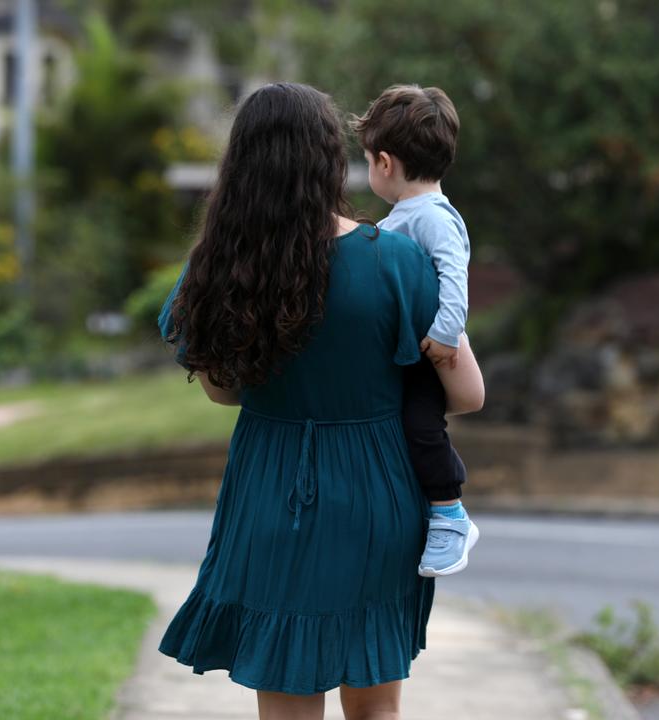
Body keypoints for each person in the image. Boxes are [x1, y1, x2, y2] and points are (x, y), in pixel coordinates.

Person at [155, 82, 485, 720]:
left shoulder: (215, 271)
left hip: (269, 487)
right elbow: (467, 394)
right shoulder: (394, 260)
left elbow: (224, 393)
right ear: (331, 161)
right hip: (377, 492)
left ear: (240, 166)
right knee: (376, 710)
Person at [353, 84, 479, 577]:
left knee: (423, 428)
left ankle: (450, 513)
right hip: (403, 350)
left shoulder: (432, 217)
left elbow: (454, 276)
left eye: (366, 161)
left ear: (385, 163)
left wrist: (447, 335)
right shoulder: (404, 217)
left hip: (426, 352)